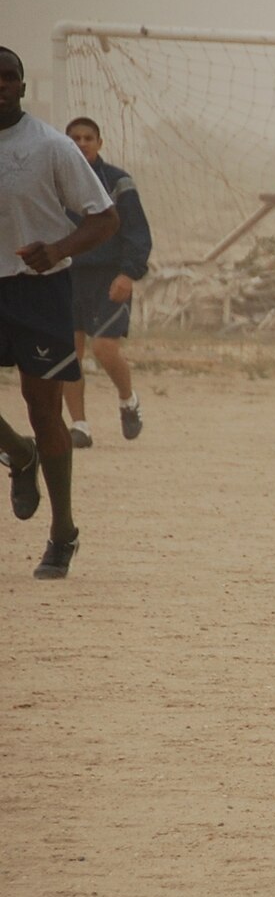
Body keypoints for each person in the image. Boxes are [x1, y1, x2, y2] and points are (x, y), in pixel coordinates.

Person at [0, 45, 118, 579]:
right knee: (27, 430)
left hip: (36, 286)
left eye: (8, 78)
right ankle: (17, 455)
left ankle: (63, 532)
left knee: (43, 409)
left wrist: (60, 249)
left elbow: (105, 218)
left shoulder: (49, 146)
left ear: (23, 86)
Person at [58, 117, 152, 448]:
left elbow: (138, 231)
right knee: (69, 354)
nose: (81, 143)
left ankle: (128, 400)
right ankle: (80, 426)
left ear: (100, 143)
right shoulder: (55, 182)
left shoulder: (118, 182)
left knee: (104, 348)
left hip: (109, 275)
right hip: (67, 276)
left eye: (88, 138)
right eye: (75, 139)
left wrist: (129, 273)